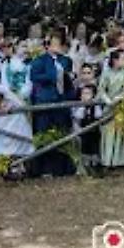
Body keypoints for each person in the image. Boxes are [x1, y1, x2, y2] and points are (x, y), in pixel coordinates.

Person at [29, 31, 75, 176]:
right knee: (44, 136)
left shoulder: (66, 60)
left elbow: (68, 76)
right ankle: (44, 169)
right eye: (53, 43)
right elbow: (34, 77)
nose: (56, 46)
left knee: (61, 134)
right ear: (47, 45)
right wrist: (53, 74)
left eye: (58, 43)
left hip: (61, 102)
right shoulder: (39, 60)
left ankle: (61, 168)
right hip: (45, 102)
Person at [97, 49, 124, 168]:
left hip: (121, 107)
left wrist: (119, 98)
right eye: (122, 59)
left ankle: (119, 161)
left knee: (120, 134)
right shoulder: (106, 73)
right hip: (108, 107)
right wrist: (108, 101)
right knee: (108, 134)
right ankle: (107, 161)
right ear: (115, 60)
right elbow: (101, 90)